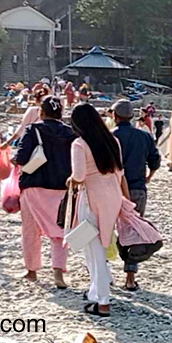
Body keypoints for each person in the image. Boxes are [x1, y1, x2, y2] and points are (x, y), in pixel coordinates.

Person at [69, 104, 126, 316]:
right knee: (100, 245)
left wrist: (71, 179)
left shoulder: (79, 144)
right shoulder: (113, 141)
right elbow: (120, 171)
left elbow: (79, 175)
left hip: (90, 198)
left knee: (94, 250)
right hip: (112, 197)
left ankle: (103, 301)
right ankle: (96, 292)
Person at [15, 96, 75, 288]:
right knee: (59, 231)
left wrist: (13, 160)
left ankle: (32, 271)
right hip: (62, 188)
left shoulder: (34, 130)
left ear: (41, 112)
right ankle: (58, 272)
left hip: (34, 186)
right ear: (61, 113)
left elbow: (22, 157)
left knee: (31, 230)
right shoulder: (71, 133)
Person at [110, 100, 161, 291]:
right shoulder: (144, 136)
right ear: (132, 116)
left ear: (114, 116)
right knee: (133, 231)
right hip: (137, 189)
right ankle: (130, 278)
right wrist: (148, 177)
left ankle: (104, 273)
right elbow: (155, 161)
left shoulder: (110, 137)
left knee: (105, 230)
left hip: (111, 190)